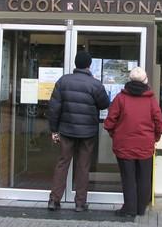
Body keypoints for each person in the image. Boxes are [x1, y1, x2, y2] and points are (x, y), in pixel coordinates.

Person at [47, 50, 110, 212]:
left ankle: (54, 200)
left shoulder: (63, 81)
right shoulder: (95, 84)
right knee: (83, 166)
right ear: (89, 65)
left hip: (66, 130)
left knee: (62, 163)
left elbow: (54, 108)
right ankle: (80, 203)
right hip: (87, 133)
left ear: (76, 64)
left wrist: (54, 130)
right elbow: (104, 104)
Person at [104, 67, 162, 217]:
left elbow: (109, 122)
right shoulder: (151, 99)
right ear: (146, 81)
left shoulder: (121, 98)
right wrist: (154, 138)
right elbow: (160, 124)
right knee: (144, 177)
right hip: (145, 145)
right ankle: (140, 209)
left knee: (128, 178)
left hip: (124, 145)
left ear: (129, 80)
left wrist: (115, 135)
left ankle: (129, 208)